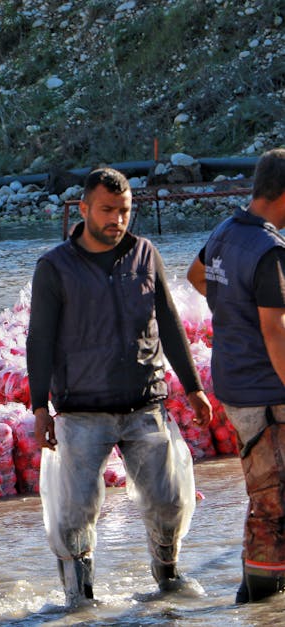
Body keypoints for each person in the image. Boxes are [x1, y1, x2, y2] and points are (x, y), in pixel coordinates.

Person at [26, 167, 212, 607]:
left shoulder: (145, 254)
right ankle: (80, 599)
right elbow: (40, 339)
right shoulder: (55, 267)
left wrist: (193, 386)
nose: (117, 220)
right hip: (81, 410)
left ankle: (167, 577)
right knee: (76, 512)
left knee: (168, 501)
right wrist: (39, 407)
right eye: (107, 210)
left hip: (145, 403)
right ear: (85, 209)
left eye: (124, 211)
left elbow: (168, 320)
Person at [185, 148, 285, 603]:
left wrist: (231, 310)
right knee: (273, 498)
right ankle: (259, 602)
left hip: (234, 384)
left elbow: (195, 275)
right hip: (266, 391)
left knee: (263, 488)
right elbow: (275, 331)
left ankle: (259, 593)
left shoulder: (226, 231)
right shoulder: (269, 251)